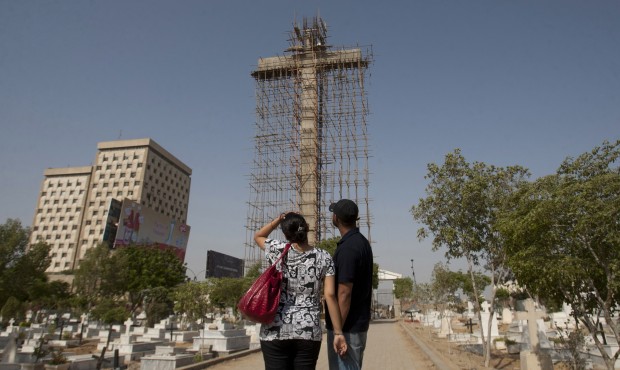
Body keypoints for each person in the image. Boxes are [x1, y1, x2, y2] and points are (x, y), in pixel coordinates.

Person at [254, 212, 348, 370]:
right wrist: (338, 333)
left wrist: (278, 220)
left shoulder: (277, 249)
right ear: (307, 228)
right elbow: (330, 295)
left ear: (286, 234)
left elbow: (258, 236)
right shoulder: (324, 257)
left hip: (275, 331)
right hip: (308, 331)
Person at [325, 199, 373, 370]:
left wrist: (338, 331)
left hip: (347, 328)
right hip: (356, 324)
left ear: (336, 218)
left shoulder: (348, 249)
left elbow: (344, 293)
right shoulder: (361, 243)